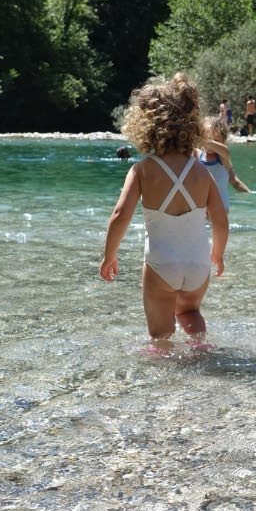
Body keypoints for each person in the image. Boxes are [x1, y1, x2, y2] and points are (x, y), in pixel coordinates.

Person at [100, 73, 228, 343]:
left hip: (162, 263)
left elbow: (120, 216)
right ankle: (200, 352)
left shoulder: (143, 170)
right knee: (190, 312)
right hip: (198, 263)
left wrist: (110, 255)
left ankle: (164, 374)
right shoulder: (202, 172)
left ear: (146, 127)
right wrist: (217, 253)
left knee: (161, 333)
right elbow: (219, 218)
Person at [197, 119, 251, 211]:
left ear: (223, 142)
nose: (211, 143)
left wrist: (251, 195)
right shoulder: (198, 155)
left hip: (221, 211)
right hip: (203, 211)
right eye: (208, 137)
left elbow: (235, 182)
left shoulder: (223, 158)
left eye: (216, 140)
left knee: (235, 182)